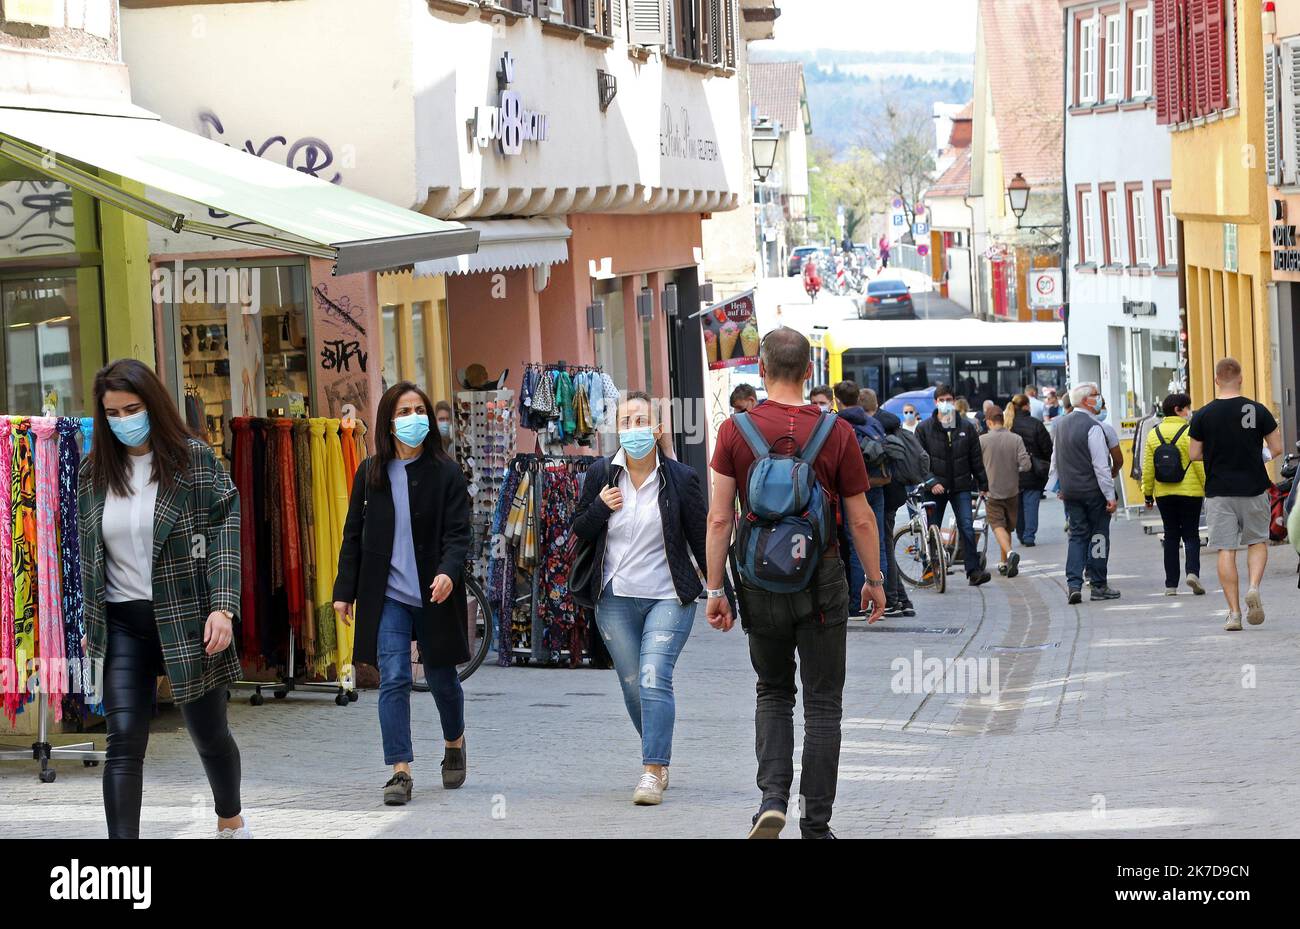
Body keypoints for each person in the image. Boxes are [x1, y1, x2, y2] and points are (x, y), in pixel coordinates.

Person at [704, 327, 886, 839]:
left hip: (758, 580)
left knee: (773, 691)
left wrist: (716, 591)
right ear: (810, 373)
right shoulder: (838, 433)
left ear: (761, 371)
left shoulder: (734, 431)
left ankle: (771, 799)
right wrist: (874, 580)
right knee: (824, 702)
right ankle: (818, 823)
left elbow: (720, 519)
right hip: (822, 579)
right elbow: (862, 518)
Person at [78, 358, 248, 839]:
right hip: (123, 624)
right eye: (112, 413)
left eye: (132, 408)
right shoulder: (94, 474)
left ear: (152, 404)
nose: (123, 421)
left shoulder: (193, 461)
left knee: (210, 735)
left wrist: (223, 606)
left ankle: (231, 820)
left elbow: (224, 529)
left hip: (187, 618)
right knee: (123, 741)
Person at [570, 392, 713, 805]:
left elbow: (702, 540)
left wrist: (720, 591)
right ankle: (660, 755)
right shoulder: (600, 474)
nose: (634, 429)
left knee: (653, 676)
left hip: (669, 596)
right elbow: (579, 529)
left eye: (641, 420)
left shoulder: (680, 478)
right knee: (633, 685)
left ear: (658, 428)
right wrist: (599, 507)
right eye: (626, 421)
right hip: (614, 598)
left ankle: (651, 770)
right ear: (618, 428)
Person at [334, 381, 472, 806]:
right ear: (389, 423)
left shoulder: (446, 472)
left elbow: (459, 533)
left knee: (441, 679)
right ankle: (400, 770)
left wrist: (449, 572)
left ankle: (454, 742)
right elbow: (353, 535)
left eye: (419, 410)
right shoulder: (370, 472)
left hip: (434, 594)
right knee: (393, 678)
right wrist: (345, 591)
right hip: (389, 594)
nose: (414, 419)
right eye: (404, 412)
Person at [1188, 358, 1283, 631]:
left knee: (1226, 549)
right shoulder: (1257, 410)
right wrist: (1257, 455)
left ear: (1216, 380)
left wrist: (1218, 454)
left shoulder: (1203, 414)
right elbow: (1276, 447)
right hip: (1253, 488)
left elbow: (1194, 454)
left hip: (1219, 491)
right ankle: (1253, 587)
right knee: (1257, 542)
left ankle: (1234, 613)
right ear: (1240, 378)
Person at [1048, 382, 1121, 604]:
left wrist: (1057, 487)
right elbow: (1101, 466)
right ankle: (1098, 584)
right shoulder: (1093, 427)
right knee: (1098, 536)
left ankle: (1073, 584)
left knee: (1077, 537)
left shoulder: (1060, 425)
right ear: (1085, 400)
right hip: (1093, 492)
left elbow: (1055, 461)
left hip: (1071, 492)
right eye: (1096, 396)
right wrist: (1110, 495)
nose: (1099, 399)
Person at [915, 384, 992, 586]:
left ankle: (973, 571)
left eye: (949, 399)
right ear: (936, 402)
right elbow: (920, 460)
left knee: (967, 526)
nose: (946, 404)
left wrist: (983, 483)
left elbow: (976, 458)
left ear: (954, 401)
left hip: (961, 486)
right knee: (932, 529)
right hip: (934, 488)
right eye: (942, 400)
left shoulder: (966, 427)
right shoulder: (924, 428)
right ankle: (929, 569)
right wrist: (931, 482)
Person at [1141, 392, 1206, 597]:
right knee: (1191, 534)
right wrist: (1208, 488)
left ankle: (1171, 585)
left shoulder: (1154, 434)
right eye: (1187, 408)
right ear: (1178, 409)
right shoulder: (1190, 432)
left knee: (1170, 536)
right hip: (1191, 492)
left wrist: (1148, 494)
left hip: (1164, 493)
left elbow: (1148, 468)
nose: (1189, 412)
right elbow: (1197, 464)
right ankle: (1192, 573)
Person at [834, 381, 889, 617]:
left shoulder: (840, 424)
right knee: (878, 541)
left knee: (857, 542)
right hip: (878, 485)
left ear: (837, 399)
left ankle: (858, 601)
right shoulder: (872, 421)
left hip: (855, 489)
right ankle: (883, 591)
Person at [861, 388, 913, 617]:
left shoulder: (871, 425)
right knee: (886, 545)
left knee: (882, 546)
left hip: (883, 492)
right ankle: (902, 600)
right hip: (895, 491)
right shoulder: (889, 423)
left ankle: (892, 599)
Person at [979, 408, 1031, 578]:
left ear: (988, 422)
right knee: (1007, 526)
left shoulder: (983, 440)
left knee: (997, 524)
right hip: (1012, 490)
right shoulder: (1015, 439)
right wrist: (1015, 469)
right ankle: (1004, 562)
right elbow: (1026, 465)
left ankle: (1008, 553)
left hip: (992, 490)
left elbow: (976, 466)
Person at [1007, 394, 1053, 546]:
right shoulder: (1036, 424)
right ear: (1026, 406)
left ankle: (1021, 533)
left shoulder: (1009, 424)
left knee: (1018, 506)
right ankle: (1029, 536)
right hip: (1033, 471)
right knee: (1031, 505)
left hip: (1013, 472)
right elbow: (1047, 448)